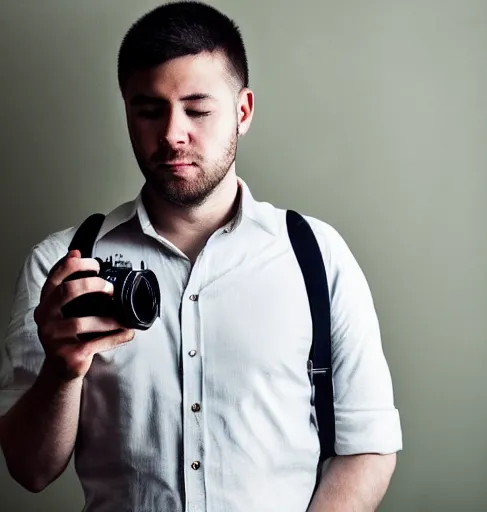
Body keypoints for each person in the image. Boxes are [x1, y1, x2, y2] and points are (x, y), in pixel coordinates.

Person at [0, 2, 402, 511]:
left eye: (197, 109)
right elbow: (30, 470)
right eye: (149, 110)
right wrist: (61, 373)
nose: (172, 134)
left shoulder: (317, 257)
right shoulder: (62, 265)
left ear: (243, 111)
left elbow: (367, 447)